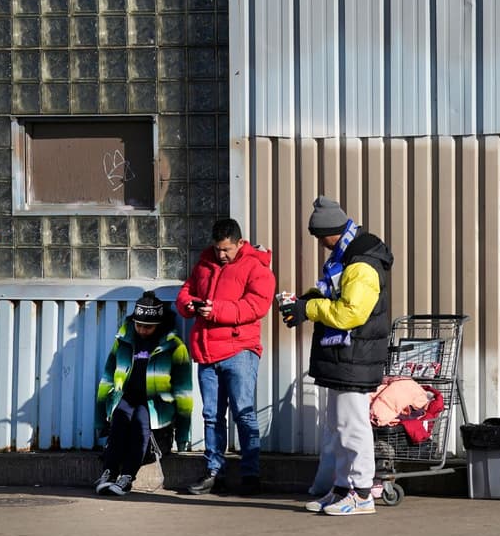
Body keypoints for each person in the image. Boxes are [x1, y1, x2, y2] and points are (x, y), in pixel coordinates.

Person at [279, 196, 393, 516]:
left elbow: (350, 313)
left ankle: (362, 493)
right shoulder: (348, 256)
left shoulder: (361, 264)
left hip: (355, 356)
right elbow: (334, 294)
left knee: (353, 426)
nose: (320, 244)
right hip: (344, 356)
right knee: (339, 426)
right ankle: (342, 489)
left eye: (320, 238)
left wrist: (309, 309)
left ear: (330, 232)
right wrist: (303, 303)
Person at [176, 218, 276, 496]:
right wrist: (190, 305)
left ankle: (251, 476)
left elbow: (256, 306)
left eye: (227, 249)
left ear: (240, 243)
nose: (221, 254)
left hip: (239, 350)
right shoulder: (204, 263)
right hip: (207, 352)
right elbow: (186, 292)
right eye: (218, 249)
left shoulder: (257, 267)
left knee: (244, 413)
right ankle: (213, 473)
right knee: (211, 416)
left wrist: (216, 310)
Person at [94, 291, 193, 496]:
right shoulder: (124, 340)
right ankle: (109, 472)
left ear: (159, 325)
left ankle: (127, 477)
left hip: (155, 403)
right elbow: (107, 378)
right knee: (119, 419)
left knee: (141, 424)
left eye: (148, 327)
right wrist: (100, 419)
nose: (142, 330)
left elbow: (184, 392)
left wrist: (183, 434)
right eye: (138, 325)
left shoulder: (174, 347)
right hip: (126, 397)